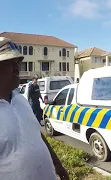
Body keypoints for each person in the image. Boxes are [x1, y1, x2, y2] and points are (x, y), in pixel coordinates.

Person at [0, 37, 69, 180]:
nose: (17, 67)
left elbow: (37, 133)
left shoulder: (20, 99)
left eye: (18, 62)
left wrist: (58, 164)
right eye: (10, 62)